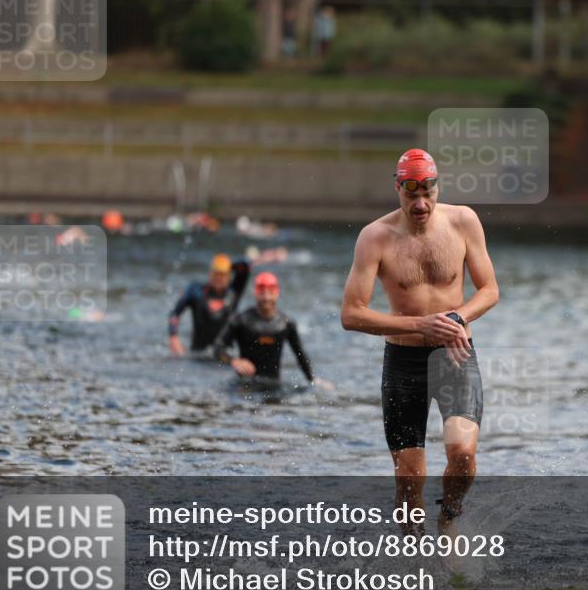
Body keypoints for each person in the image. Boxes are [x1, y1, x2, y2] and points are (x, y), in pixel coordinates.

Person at [340, 148, 499, 535]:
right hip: (403, 361)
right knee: (410, 478)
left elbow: (490, 289)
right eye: (411, 194)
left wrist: (457, 318)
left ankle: (449, 518)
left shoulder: (464, 222)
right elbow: (351, 313)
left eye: (428, 192)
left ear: (437, 187)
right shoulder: (374, 237)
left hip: (455, 355)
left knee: (463, 455)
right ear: (398, 189)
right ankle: (415, 562)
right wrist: (418, 324)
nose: (421, 203)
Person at [214, 272, 330, 388]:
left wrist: (313, 380)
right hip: (245, 384)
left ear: (277, 293)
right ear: (255, 294)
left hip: (273, 386)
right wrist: (234, 361)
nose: (266, 298)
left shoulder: (286, 324)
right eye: (262, 293)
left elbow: (300, 356)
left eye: (270, 292)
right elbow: (218, 348)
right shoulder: (241, 320)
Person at [168, 254, 250, 356]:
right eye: (216, 273)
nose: (219, 279)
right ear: (210, 273)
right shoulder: (196, 291)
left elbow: (245, 266)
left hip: (225, 356)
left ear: (229, 276)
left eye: (223, 275)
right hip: (198, 354)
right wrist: (173, 337)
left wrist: (228, 265)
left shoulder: (234, 293)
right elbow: (175, 313)